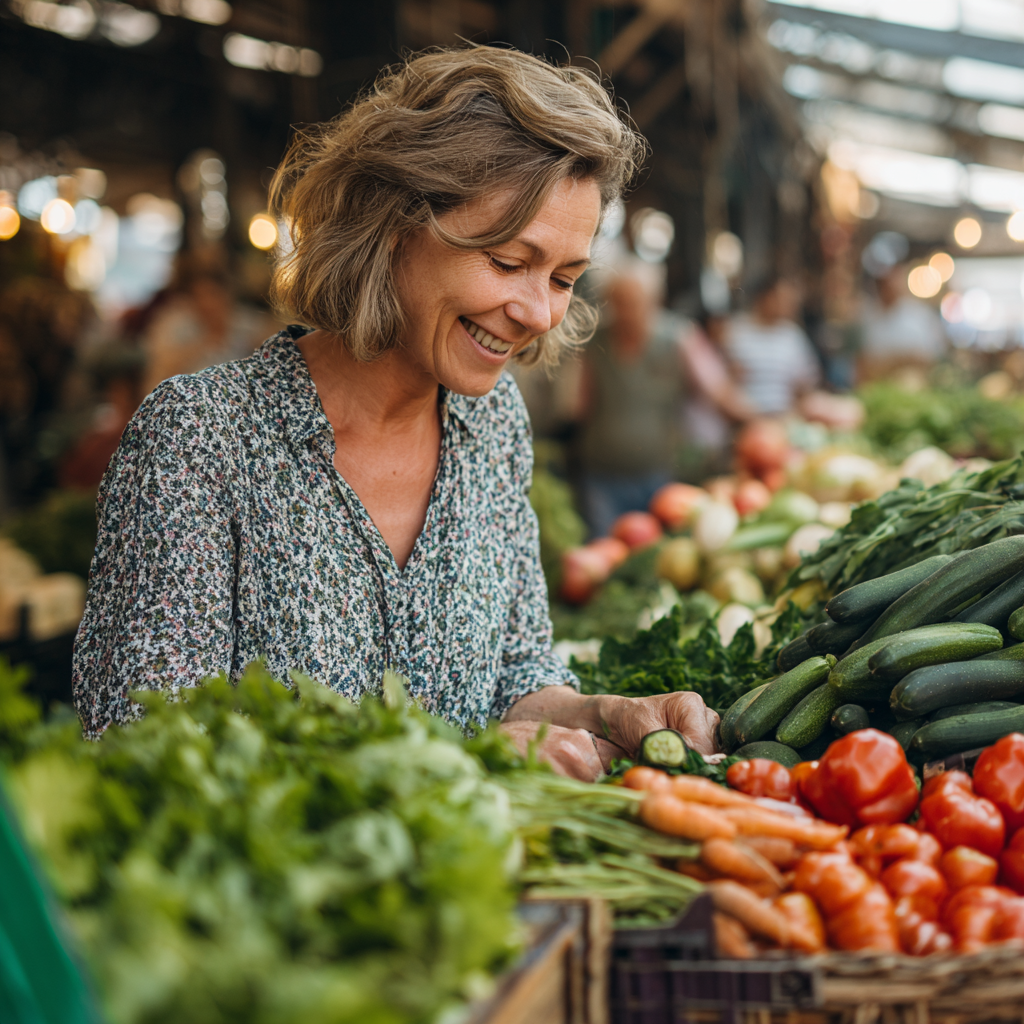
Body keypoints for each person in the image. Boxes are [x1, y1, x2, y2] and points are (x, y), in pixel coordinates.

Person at [72, 47, 719, 778]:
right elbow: (145, 756)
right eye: (508, 263)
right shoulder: (200, 439)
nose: (539, 312)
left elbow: (515, 674)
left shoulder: (492, 424)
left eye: (564, 279)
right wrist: (452, 764)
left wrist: (603, 714)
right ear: (392, 225)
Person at [575, 267, 687, 537]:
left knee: (655, 551)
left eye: (634, 302)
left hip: (656, 474)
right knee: (604, 547)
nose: (626, 311)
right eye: (619, 303)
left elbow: (716, 389)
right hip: (601, 476)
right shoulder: (595, 342)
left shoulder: (677, 338)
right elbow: (579, 405)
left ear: (654, 300)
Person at [726, 275, 820, 416]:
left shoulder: (792, 335)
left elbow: (808, 381)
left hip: (784, 416)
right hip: (741, 416)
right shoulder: (735, 331)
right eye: (780, 298)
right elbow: (721, 380)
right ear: (764, 297)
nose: (786, 305)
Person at [858, 264, 947, 384]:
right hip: (878, 384)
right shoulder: (867, 316)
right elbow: (864, 361)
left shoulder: (919, 315)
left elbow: (932, 356)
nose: (890, 287)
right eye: (885, 283)